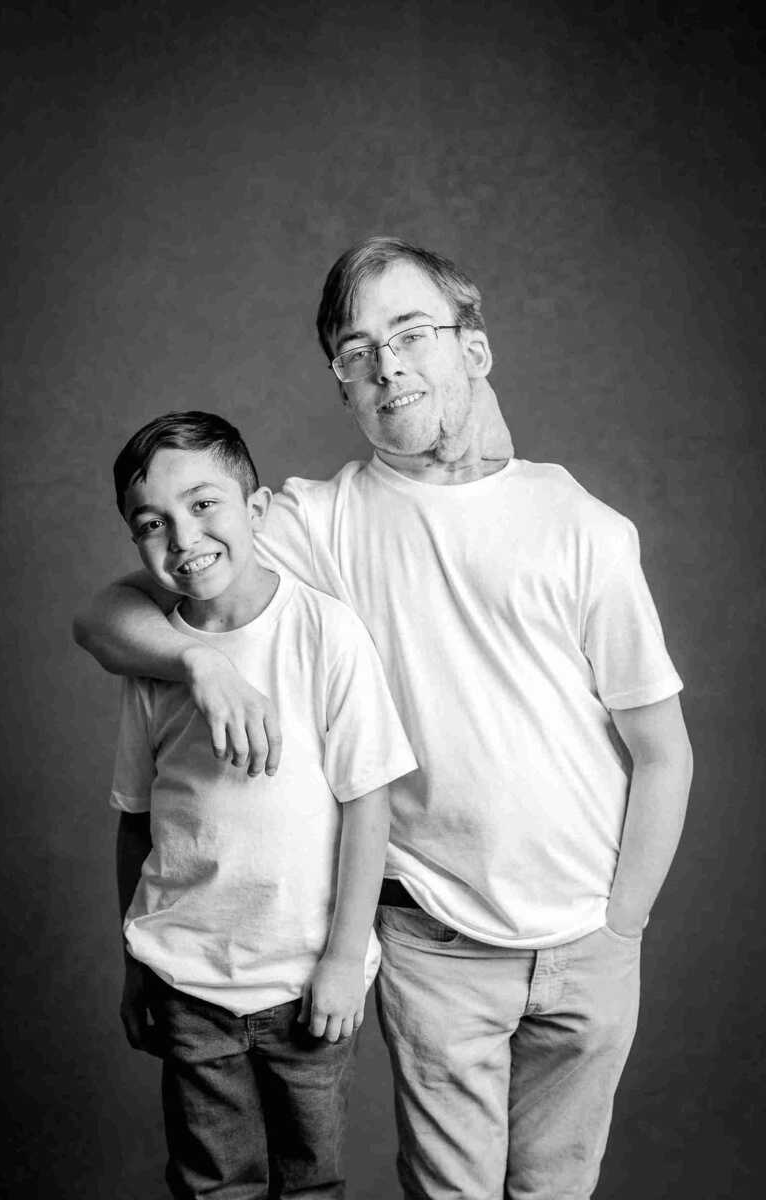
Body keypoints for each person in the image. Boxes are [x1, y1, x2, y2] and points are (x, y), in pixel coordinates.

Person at [76, 237, 693, 1200]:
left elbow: (662, 752)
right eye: (356, 353)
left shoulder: (582, 527)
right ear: (345, 392)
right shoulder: (320, 521)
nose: (387, 364)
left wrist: (620, 928)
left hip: (586, 946)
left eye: (411, 334)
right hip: (434, 940)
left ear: (474, 348)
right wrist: (199, 659)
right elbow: (108, 615)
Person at [107, 410, 417, 1199]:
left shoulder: (323, 633)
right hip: (189, 981)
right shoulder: (158, 662)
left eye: (204, 504)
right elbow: (137, 820)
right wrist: (135, 961)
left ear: (258, 509)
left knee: (311, 1184)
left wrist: (346, 958)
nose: (183, 538)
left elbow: (368, 807)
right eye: (153, 523)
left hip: (305, 981)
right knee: (215, 1184)